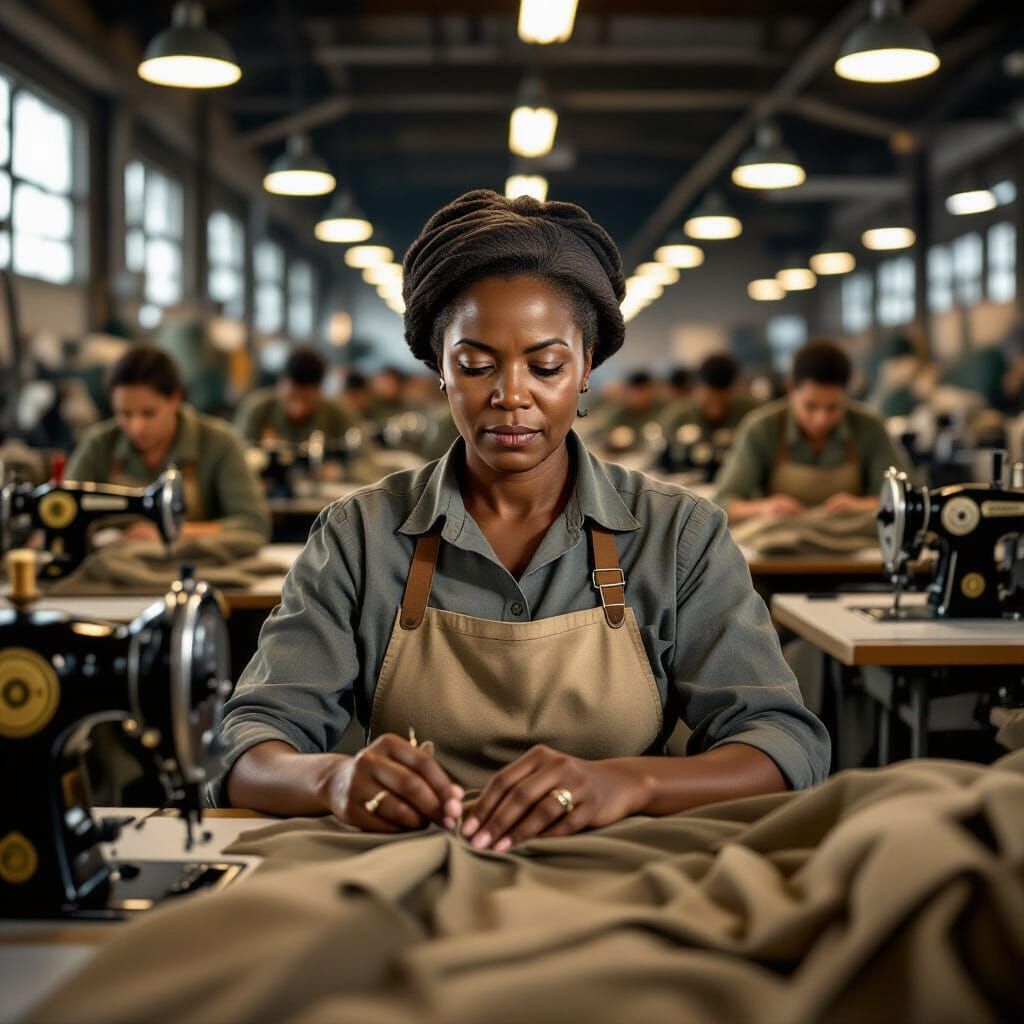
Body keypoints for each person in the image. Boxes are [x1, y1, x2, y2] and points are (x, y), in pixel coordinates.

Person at [214, 189, 828, 851]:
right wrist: (333, 780)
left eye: (546, 365)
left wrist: (631, 785)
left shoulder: (679, 536)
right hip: (411, 875)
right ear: (439, 371)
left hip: (621, 874)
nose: (511, 395)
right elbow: (248, 744)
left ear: (587, 368)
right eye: (476, 365)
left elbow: (781, 743)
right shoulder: (359, 537)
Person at [67, 344, 270, 540]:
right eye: (125, 414)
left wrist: (178, 533)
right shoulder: (99, 444)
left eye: (149, 413)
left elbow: (253, 524)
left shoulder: (219, 442)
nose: (137, 427)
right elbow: (64, 511)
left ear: (175, 398)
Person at [714, 338, 909, 524]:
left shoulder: (869, 426)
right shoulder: (762, 428)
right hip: (780, 548)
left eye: (833, 407)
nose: (821, 419)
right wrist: (764, 508)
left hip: (852, 548)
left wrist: (861, 506)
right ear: (791, 389)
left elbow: (905, 498)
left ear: (846, 393)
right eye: (810, 406)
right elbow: (722, 504)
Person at [234, 345, 358, 446]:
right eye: (291, 398)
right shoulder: (258, 408)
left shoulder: (338, 413)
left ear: (320, 392)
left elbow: (366, 459)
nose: (298, 409)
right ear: (280, 385)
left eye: (307, 400)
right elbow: (238, 456)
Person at [660, 353, 758, 441]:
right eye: (709, 402)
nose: (716, 411)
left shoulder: (752, 413)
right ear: (695, 389)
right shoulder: (677, 417)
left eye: (723, 402)